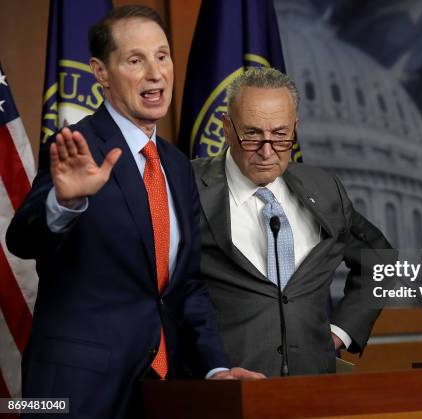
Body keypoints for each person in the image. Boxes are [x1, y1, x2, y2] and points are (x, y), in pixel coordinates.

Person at [6, 6, 262, 418]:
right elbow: (20, 239)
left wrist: (215, 368)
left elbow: (185, 286)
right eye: (135, 60)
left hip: (162, 389)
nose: (155, 73)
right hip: (78, 391)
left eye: (162, 56)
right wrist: (65, 202)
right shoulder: (77, 146)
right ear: (101, 72)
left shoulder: (177, 167)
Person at [191, 67, 391, 376]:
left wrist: (340, 332)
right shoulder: (186, 185)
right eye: (253, 134)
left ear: (294, 129)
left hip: (313, 387)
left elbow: (380, 259)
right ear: (227, 129)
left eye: (281, 135)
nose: (267, 151)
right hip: (227, 390)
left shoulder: (324, 189)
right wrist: (211, 369)